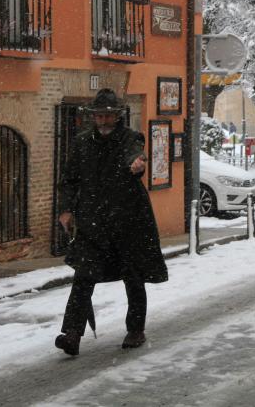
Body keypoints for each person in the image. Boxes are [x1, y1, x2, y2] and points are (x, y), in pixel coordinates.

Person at [55, 89, 168, 356]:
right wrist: (66, 210)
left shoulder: (130, 138)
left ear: (117, 117)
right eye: (100, 116)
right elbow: (70, 180)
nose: (104, 121)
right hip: (93, 221)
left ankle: (135, 330)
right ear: (93, 117)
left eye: (108, 116)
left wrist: (137, 164)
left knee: (133, 275)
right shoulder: (82, 143)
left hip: (127, 220)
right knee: (83, 277)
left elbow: (135, 154)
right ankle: (71, 334)